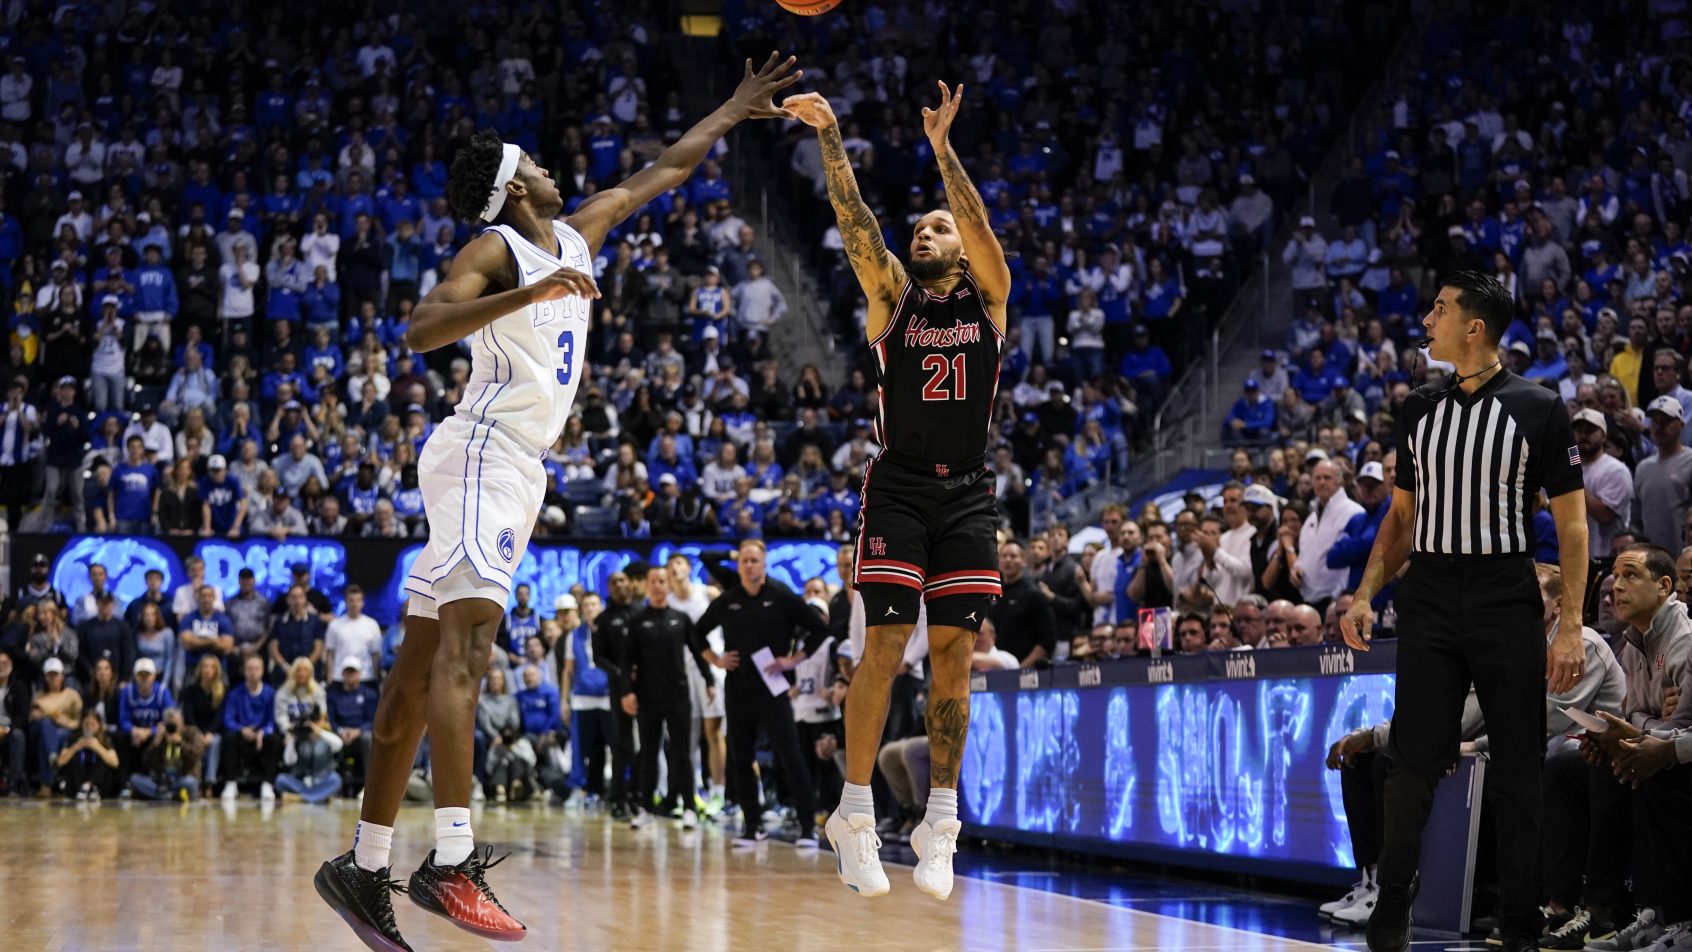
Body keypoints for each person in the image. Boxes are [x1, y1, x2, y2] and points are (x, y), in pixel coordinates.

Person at [317, 55, 800, 950]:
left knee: (419, 675)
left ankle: (362, 861)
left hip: (517, 467)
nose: (550, 164)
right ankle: (451, 862)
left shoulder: (578, 234)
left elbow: (664, 171)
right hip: (480, 456)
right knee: (466, 654)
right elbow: (421, 329)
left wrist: (732, 107)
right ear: (513, 188)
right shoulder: (497, 250)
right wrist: (529, 291)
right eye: (532, 161)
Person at [787, 81, 1009, 901]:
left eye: (936, 226)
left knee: (954, 656)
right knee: (884, 648)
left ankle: (940, 821)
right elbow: (856, 225)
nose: (925, 232)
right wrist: (833, 135)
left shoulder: (991, 299)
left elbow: (980, 227)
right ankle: (852, 811)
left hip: (969, 493)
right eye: (919, 227)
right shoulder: (892, 296)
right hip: (898, 487)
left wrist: (944, 152)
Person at [1341, 271, 1589, 952]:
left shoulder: (1539, 406)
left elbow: (1572, 528)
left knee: (1517, 768)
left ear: (1472, 327)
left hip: (1506, 594)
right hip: (1430, 594)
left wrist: (1569, 624)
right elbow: (1400, 516)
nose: (1426, 318)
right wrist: (1365, 592)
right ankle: (1391, 916)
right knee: (1412, 762)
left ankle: (1519, 928)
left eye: (1439, 309)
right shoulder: (1418, 408)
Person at [692, 539, 829, 845]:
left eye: (755, 560)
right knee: (741, 758)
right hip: (738, 687)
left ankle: (808, 827)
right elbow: (696, 632)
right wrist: (715, 659)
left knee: (790, 755)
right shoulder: (728, 600)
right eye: (744, 561)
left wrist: (794, 659)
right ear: (738, 565)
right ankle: (752, 826)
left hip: (773, 688)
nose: (749, 566)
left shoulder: (781, 597)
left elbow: (820, 629)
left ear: (764, 564)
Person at [620, 567, 711, 830]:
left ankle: (690, 807)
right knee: (649, 753)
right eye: (653, 582)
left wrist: (709, 679)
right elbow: (626, 662)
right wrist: (627, 691)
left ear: (669, 585)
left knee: (682, 753)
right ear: (647, 586)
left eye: (663, 581)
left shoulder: (681, 619)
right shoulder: (637, 621)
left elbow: (697, 650)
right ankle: (646, 807)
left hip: (678, 696)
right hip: (648, 698)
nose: (658, 585)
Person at [561, 591, 612, 805]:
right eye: (586, 605)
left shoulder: (611, 630)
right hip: (582, 699)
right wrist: (564, 700)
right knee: (590, 749)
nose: (590, 608)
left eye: (594, 604)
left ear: (600, 606)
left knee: (617, 747)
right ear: (581, 610)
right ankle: (592, 791)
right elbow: (568, 670)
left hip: (609, 697)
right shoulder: (574, 635)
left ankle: (621, 791)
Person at [220, 654, 280, 803]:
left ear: (262, 671)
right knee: (228, 737)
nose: (253, 672)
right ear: (244, 671)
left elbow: (274, 720)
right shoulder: (235, 693)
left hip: (262, 736)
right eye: (249, 669)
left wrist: (263, 732)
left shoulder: (270, 693)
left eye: (256, 668)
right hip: (242, 734)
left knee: (276, 739)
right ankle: (230, 783)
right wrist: (242, 729)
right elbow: (227, 719)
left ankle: (267, 784)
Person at [127, 706, 202, 802]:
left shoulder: (192, 732)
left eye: (176, 724)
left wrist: (180, 742)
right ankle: (171, 796)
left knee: (191, 783)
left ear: (182, 722)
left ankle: (163, 797)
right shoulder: (161, 736)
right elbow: (146, 762)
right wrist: (156, 742)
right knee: (134, 779)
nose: (173, 727)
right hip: (161, 781)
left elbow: (196, 756)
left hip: (182, 777)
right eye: (170, 724)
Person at [326, 657, 378, 796]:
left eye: (353, 672)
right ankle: (329, 786)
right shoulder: (333, 695)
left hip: (361, 733)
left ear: (359, 673)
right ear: (342, 674)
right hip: (340, 733)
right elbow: (331, 720)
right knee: (328, 739)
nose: (350, 675)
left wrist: (358, 731)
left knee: (368, 739)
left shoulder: (370, 695)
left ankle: (369, 786)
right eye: (347, 672)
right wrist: (340, 731)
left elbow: (373, 720)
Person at [277, 703, 345, 804]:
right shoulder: (299, 739)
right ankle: (319, 797)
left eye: (315, 721)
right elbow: (288, 761)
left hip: (322, 780)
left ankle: (301, 798)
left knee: (336, 779)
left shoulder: (326, 737)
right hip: (301, 782)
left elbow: (339, 744)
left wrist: (318, 731)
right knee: (281, 780)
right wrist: (292, 740)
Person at [56, 709, 120, 800]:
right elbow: (60, 762)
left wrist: (97, 747)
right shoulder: (73, 738)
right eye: (86, 724)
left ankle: (89, 785)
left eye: (93, 724)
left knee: (104, 758)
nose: (89, 727)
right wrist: (76, 746)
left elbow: (115, 763)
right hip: (77, 784)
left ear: (99, 725)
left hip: (98, 784)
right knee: (73, 757)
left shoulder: (105, 739)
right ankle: (83, 787)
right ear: (81, 724)